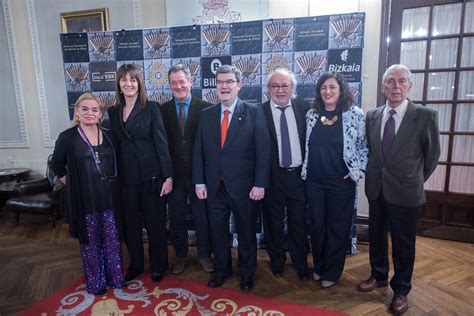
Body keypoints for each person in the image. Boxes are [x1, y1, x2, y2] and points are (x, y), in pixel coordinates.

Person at [358, 64, 440, 314]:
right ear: (383, 87)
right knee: (377, 236)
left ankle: (402, 289)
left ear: (409, 86)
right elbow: (372, 152)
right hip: (377, 188)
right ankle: (379, 275)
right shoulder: (372, 115)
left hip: (406, 190)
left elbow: (432, 156)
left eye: (402, 81)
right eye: (391, 81)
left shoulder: (424, 115)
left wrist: (413, 178)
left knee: (404, 243)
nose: (396, 86)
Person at [193, 65, 270, 291]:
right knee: (218, 233)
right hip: (215, 187)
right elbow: (198, 150)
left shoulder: (254, 112)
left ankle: (246, 273)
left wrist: (259, 184)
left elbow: (263, 152)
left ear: (239, 85)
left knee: (246, 233)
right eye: (220, 82)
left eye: (229, 82)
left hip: (245, 188)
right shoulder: (206, 115)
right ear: (216, 86)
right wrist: (199, 181)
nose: (224, 86)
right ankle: (222, 270)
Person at [51, 92, 124, 295]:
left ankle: (116, 278)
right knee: (91, 241)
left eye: (95, 109)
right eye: (85, 109)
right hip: (86, 199)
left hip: (110, 197)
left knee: (111, 239)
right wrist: (73, 184)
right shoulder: (68, 137)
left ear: (100, 114)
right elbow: (56, 164)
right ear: (77, 112)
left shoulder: (109, 135)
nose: (90, 113)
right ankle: (96, 282)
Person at [108, 63, 173, 283]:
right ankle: (136, 264)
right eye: (124, 79)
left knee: (155, 224)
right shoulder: (113, 111)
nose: (129, 84)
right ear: (119, 83)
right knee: (131, 225)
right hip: (126, 179)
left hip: (151, 176)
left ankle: (158, 265)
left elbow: (162, 144)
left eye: (133, 80)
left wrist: (168, 176)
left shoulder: (151, 107)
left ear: (139, 83)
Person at [302, 72, 368, 288]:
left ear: (341, 90)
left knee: (337, 227)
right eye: (323, 88)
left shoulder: (355, 115)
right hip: (314, 182)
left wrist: (356, 170)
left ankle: (332, 270)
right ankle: (319, 267)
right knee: (317, 227)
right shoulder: (311, 115)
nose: (327, 92)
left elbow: (364, 147)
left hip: (341, 182)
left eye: (332, 87)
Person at [160, 64, 214, 274]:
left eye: (182, 81)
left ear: (191, 82)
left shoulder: (207, 108)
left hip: (200, 176)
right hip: (174, 177)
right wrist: (167, 175)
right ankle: (181, 256)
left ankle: (204, 256)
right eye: (174, 83)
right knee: (176, 219)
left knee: (202, 218)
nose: (178, 86)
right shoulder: (162, 110)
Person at [261, 68, 309, 280]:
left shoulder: (304, 108)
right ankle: (277, 261)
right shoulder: (258, 112)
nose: (280, 90)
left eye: (285, 85)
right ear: (268, 89)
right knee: (273, 223)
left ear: (292, 88)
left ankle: (300, 263)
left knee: (299, 222)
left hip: (298, 176)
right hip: (272, 177)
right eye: (275, 86)